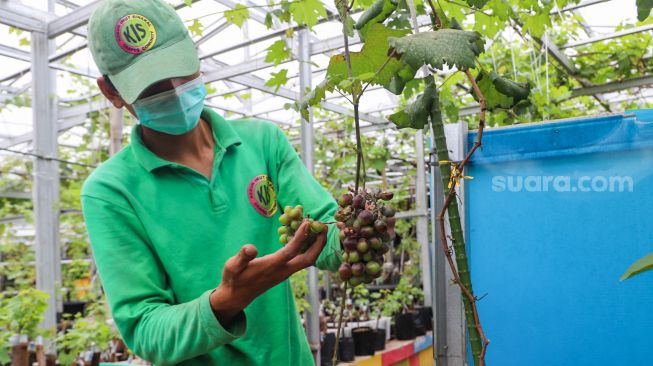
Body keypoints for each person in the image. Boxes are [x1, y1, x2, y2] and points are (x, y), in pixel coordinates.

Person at [81, 0, 343, 364]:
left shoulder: (262, 143)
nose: (174, 91)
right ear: (111, 92)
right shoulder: (111, 192)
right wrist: (228, 300)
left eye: (180, 72)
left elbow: (325, 230)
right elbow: (145, 330)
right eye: (152, 87)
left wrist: (356, 232)